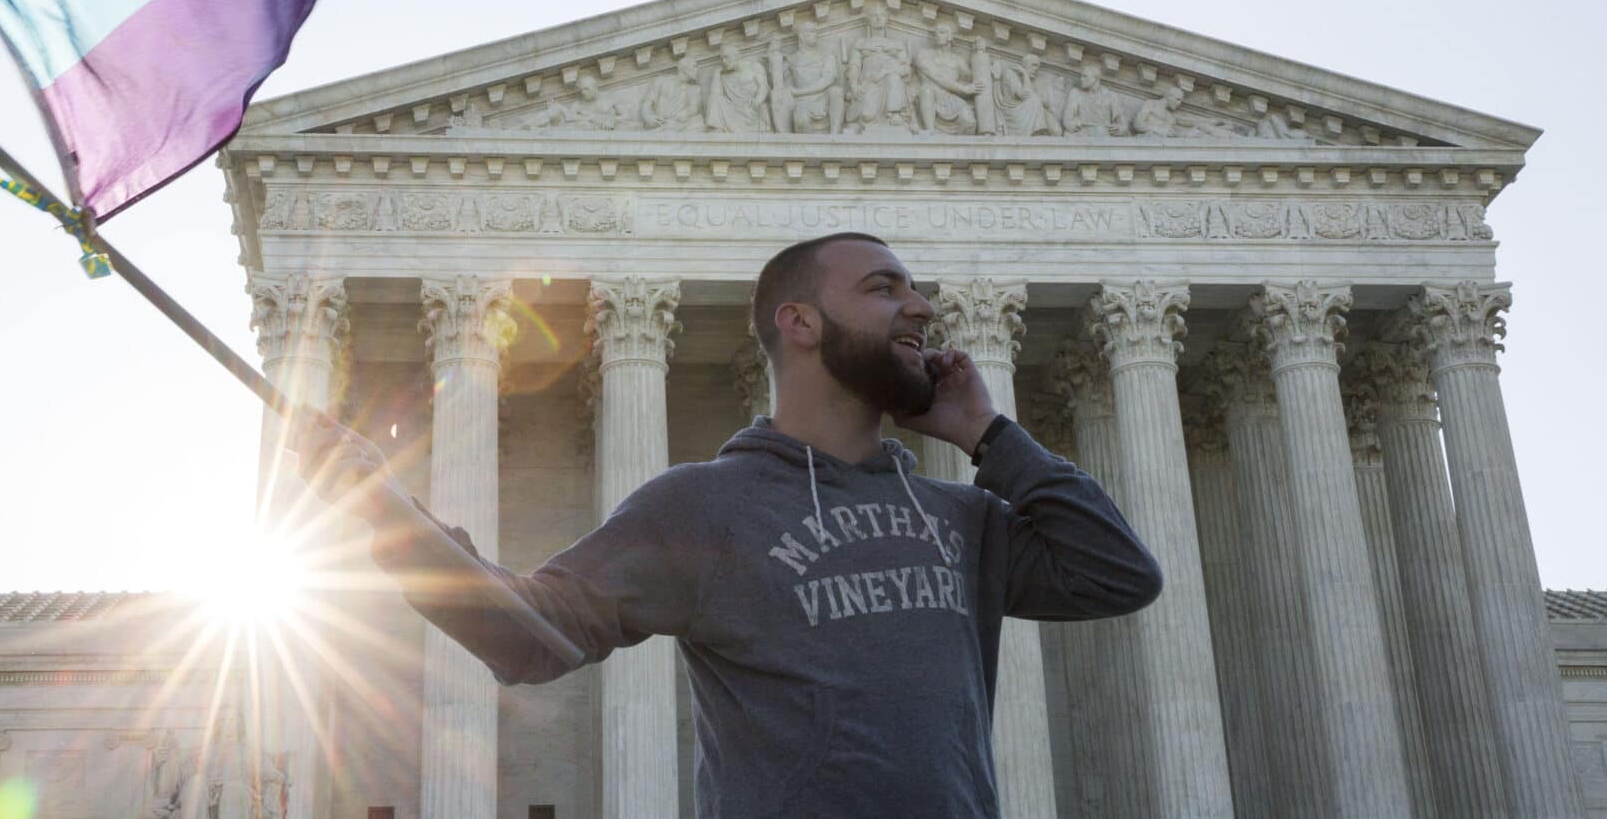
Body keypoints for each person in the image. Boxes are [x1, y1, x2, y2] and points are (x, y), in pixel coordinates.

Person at [294, 233, 1162, 819]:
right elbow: (530, 635)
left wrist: (987, 435)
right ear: (800, 321)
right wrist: (385, 511)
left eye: (916, 288)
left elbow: (1120, 574)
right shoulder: (702, 506)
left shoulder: (959, 517)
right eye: (883, 287)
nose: (922, 306)